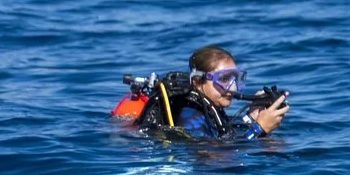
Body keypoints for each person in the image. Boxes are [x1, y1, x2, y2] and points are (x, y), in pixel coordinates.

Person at [116, 45, 290, 141]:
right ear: (197, 82)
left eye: (236, 79)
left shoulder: (208, 106)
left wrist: (250, 119)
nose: (233, 87)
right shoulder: (190, 115)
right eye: (224, 79)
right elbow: (212, 155)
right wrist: (258, 130)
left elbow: (222, 134)